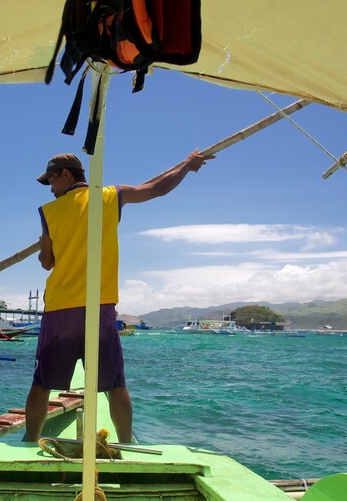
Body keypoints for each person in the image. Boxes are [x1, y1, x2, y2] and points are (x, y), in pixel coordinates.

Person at [24, 150, 213, 443]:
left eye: (52, 181)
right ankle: (126, 444)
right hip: (97, 305)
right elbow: (157, 188)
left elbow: (47, 263)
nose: (51, 188)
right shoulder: (110, 197)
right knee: (115, 384)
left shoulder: (49, 212)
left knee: (42, 383)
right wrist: (188, 165)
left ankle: (29, 441)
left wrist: (43, 244)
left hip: (60, 307)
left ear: (66, 175)